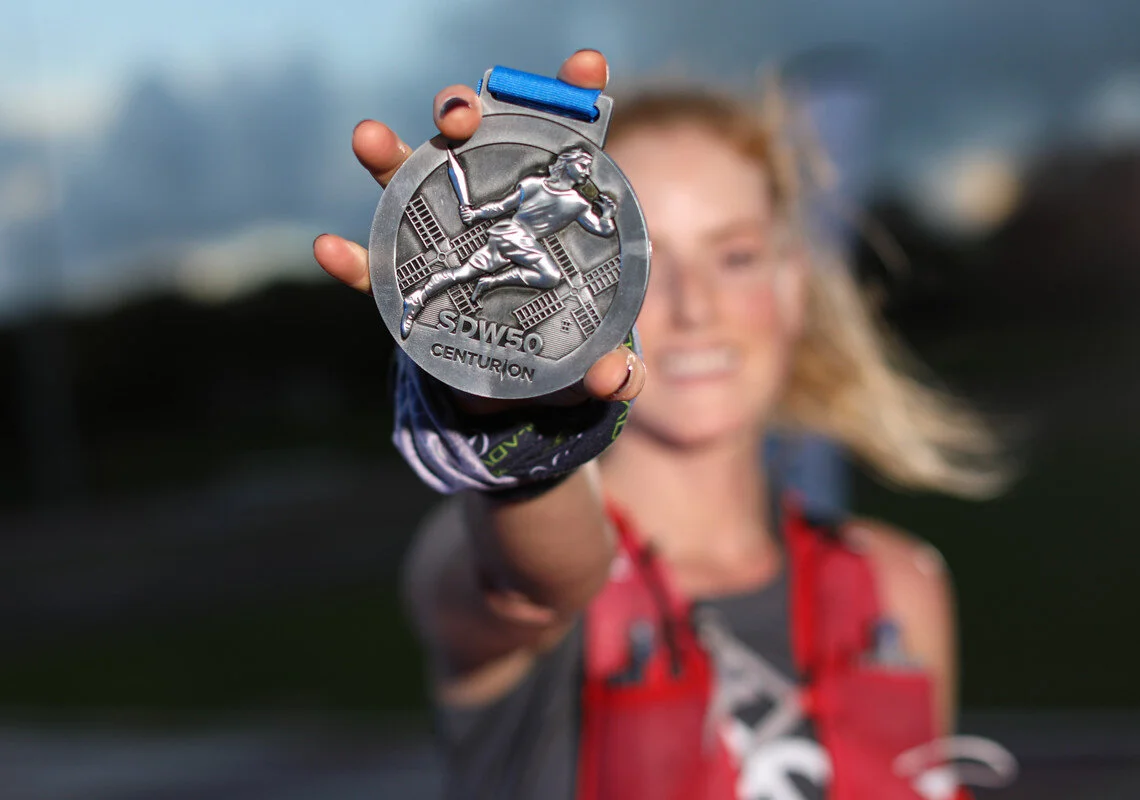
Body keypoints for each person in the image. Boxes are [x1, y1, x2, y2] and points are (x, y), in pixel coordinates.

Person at [314, 49, 1007, 800]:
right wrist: (514, 405)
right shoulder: (478, 563)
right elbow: (544, 583)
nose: (694, 306)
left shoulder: (898, 590)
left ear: (793, 285)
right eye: (643, 264)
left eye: (735, 257)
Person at [399, 146, 617, 338]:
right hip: (512, 234)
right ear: (567, 163)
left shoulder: (578, 204)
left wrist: (607, 214)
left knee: (462, 274)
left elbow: (600, 229)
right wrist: (476, 214)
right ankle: (489, 283)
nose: (588, 172)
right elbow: (501, 207)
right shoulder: (533, 185)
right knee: (550, 275)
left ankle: (419, 297)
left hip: (519, 241)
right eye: (583, 165)